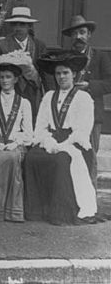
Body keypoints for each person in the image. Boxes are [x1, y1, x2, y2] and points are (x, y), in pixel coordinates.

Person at [25, 51, 97, 225]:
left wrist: (63, 144)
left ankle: (61, 213)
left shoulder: (83, 98)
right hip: (50, 139)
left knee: (60, 160)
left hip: (73, 142)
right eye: (58, 73)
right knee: (31, 157)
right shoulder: (49, 96)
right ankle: (37, 210)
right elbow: (40, 126)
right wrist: (48, 141)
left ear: (73, 74)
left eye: (65, 73)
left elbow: (82, 130)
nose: (62, 77)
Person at [0, 54, 34, 222]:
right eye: (1, 77)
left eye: (8, 77)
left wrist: (16, 143)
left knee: (12, 157)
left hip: (16, 143)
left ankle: (13, 210)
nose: (4, 80)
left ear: (16, 79)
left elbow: (28, 132)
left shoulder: (24, 103)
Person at [62, 14, 111, 187]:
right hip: (67, 115)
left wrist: (89, 86)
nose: (78, 37)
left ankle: (90, 200)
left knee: (89, 155)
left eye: (82, 32)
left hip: (91, 115)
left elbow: (109, 83)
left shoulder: (99, 57)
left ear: (89, 34)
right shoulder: (64, 58)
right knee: (68, 154)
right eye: (75, 34)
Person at [0, 7, 46, 106]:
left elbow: (45, 73)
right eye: (15, 24)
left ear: (29, 26)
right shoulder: (1, 46)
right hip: (9, 93)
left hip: (32, 93)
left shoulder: (39, 45)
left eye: (22, 24)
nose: (18, 28)